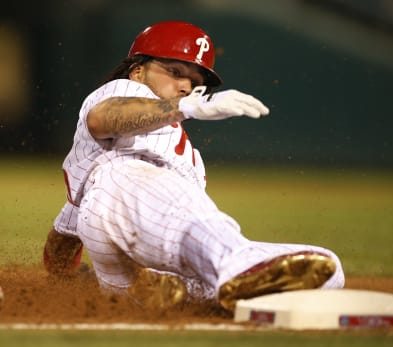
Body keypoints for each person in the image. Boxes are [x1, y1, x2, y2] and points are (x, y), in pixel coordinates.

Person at [43, 20, 345, 312]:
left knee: (328, 267)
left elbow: (63, 238)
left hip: (138, 248)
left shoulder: (189, 160)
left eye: (194, 83)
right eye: (175, 72)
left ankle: (171, 290)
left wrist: (68, 278)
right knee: (150, 187)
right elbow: (104, 118)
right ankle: (234, 263)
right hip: (121, 192)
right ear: (137, 70)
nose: (186, 86)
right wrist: (184, 107)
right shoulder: (126, 91)